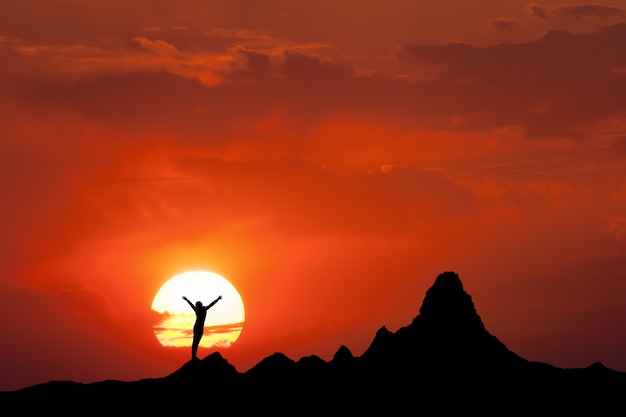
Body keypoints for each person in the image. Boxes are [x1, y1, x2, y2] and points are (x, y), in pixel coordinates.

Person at [182, 294, 222, 360]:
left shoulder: (202, 309)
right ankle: (193, 356)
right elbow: (211, 304)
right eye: (197, 304)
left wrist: (217, 299)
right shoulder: (203, 309)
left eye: (198, 304)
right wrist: (217, 299)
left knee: (196, 342)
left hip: (199, 327)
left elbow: (211, 304)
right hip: (198, 327)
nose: (198, 305)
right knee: (195, 342)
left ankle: (193, 356)